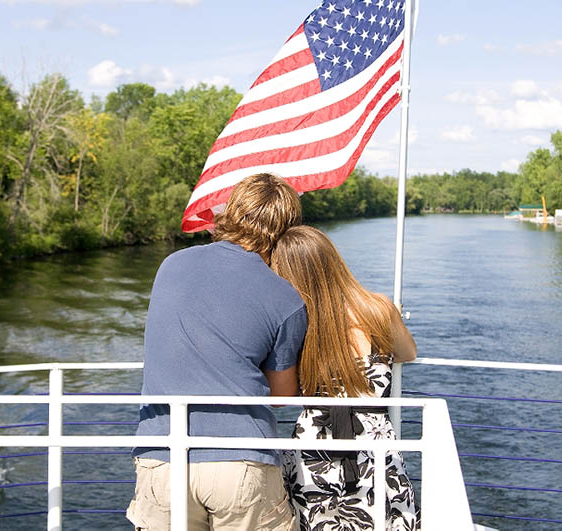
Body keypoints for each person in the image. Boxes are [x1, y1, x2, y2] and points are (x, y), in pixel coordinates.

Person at [126, 173, 306, 531]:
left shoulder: (171, 266)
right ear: (286, 231)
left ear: (231, 212)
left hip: (163, 456)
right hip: (241, 461)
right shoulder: (287, 299)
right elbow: (283, 397)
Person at [270, 225, 420, 531]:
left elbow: (281, 395)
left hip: (314, 451)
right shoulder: (378, 309)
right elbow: (408, 353)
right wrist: (392, 317)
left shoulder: (298, 324)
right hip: (375, 450)